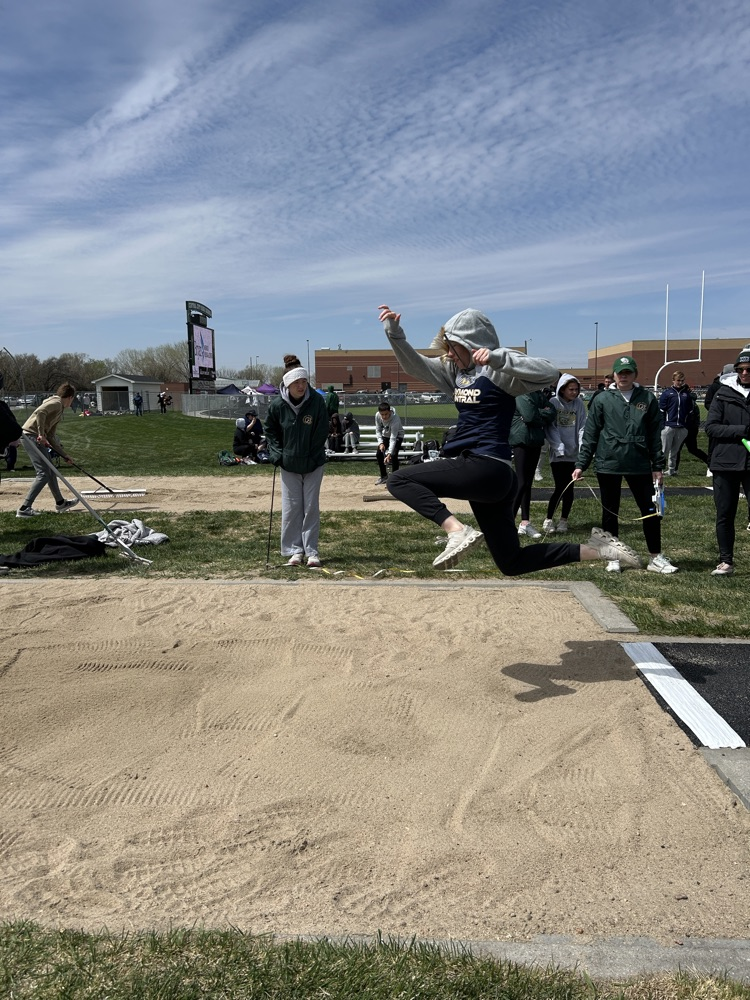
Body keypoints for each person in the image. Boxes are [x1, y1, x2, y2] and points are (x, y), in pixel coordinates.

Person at [377, 305, 642, 574]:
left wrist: (498, 358)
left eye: (452, 347)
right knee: (511, 562)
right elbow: (416, 366)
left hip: (485, 466)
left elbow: (550, 373)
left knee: (399, 479)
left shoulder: (497, 370)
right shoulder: (454, 373)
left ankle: (455, 530)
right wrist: (395, 334)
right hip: (492, 479)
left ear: (470, 344)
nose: (448, 354)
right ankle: (601, 549)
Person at [573, 355, 678, 574]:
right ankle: (613, 556)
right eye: (620, 373)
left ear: (635, 374)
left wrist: (657, 466)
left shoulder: (647, 399)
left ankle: (655, 557)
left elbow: (653, 436)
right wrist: (581, 463)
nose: (624, 376)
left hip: (639, 464)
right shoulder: (602, 399)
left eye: (628, 372)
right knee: (610, 511)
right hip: (608, 463)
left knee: (650, 510)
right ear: (613, 375)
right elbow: (591, 433)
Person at [265, 355, 329, 568]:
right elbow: (270, 430)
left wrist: (313, 456)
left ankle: (312, 552)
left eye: (304, 381)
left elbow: (322, 431)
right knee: (292, 509)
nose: (301, 386)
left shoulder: (317, 402)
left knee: (311, 507)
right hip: (288, 464)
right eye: (296, 383)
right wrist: (277, 454)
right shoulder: (277, 406)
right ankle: (294, 551)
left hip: (314, 463)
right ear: (287, 384)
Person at [704, 348, 750, 575]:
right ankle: (726, 561)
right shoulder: (723, 393)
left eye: (748, 369)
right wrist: (743, 431)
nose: (744, 373)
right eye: (740, 369)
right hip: (725, 461)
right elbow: (711, 427)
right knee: (725, 513)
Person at [16, 384, 80, 518]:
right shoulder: (56, 403)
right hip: (30, 436)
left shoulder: (59, 410)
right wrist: (41, 434)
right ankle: (24, 508)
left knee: (51, 471)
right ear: (70, 397)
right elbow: (41, 412)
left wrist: (64, 455)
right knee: (44, 473)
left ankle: (60, 503)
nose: (72, 402)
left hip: (35, 437)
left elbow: (51, 436)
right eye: (72, 399)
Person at [543, 373, 587, 533]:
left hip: (573, 454)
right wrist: (559, 447)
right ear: (562, 389)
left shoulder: (579, 404)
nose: (574, 392)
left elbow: (583, 426)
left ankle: (563, 520)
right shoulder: (553, 403)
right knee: (560, 487)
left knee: (569, 489)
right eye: (571, 389)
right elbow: (551, 427)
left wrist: (582, 448)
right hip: (558, 454)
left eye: (576, 389)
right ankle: (548, 519)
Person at [510, 389, 556, 537]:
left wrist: (538, 413)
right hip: (521, 439)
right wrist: (541, 413)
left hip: (535, 439)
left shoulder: (538, 394)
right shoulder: (522, 393)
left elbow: (552, 412)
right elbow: (529, 417)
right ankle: (507, 522)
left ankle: (525, 523)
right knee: (522, 482)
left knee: (528, 483)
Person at [658, 370, 694, 476]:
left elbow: (690, 411)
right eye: (678, 380)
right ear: (673, 380)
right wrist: (663, 426)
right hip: (668, 426)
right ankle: (659, 470)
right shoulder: (667, 393)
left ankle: (671, 470)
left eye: (682, 380)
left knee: (675, 451)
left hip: (681, 427)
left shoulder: (686, 394)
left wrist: (686, 426)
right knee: (664, 450)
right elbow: (661, 411)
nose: (680, 382)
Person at [674, 381, 709, 473]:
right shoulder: (689, 399)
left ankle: (674, 469)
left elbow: (687, 415)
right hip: (691, 427)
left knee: (682, 448)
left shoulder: (687, 400)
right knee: (689, 449)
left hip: (688, 428)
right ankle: (674, 468)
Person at [374, 401, 404, 484]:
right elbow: (378, 430)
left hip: (397, 436)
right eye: (382, 414)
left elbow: (393, 438)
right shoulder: (377, 416)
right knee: (379, 454)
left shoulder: (395, 419)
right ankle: (384, 476)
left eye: (386, 414)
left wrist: (389, 454)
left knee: (394, 455)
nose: (384, 416)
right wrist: (380, 443)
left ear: (390, 412)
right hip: (385, 436)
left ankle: (395, 479)